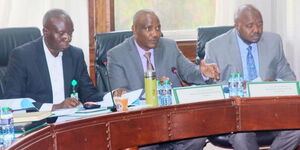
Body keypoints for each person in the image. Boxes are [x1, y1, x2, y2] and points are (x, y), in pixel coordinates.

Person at [107, 9, 220, 150]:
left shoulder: (169, 46)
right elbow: (121, 94)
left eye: (158, 28)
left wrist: (203, 73)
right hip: (141, 124)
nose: (155, 34)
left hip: (173, 120)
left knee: (197, 138)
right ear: (134, 29)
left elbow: (190, 72)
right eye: (148, 28)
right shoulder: (117, 55)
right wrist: (154, 90)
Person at [204, 4, 300, 150]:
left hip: (270, 109)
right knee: (242, 135)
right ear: (237, 26)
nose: (257, 30)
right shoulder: (215, 46)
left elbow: (290, 79)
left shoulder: (274, 42)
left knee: (296, 128)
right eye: (250, 26)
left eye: (260, 24)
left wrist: (275, 82)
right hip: (237, 113)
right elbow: (212, 87)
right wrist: (238, 86)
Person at [3, 9, 103, 111]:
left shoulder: (76, 55)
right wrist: (55, 107)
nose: (67, 38)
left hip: (70, 121)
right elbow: (12, 101)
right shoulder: (23, 56)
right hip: (38, 123)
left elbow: (89, 94)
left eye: (70, 33)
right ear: (46, 32)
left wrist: (112, 97)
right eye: (61, 33)